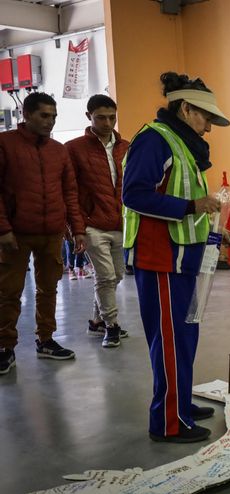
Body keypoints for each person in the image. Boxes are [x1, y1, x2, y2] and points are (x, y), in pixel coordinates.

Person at [122, 72, 230, 442]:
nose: (209, 128)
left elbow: (189, 204)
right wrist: (191, 206)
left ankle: (180, 402)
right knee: (170, 340)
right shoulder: (155, 140)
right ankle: (169, 422)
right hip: (161, 260)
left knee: (184, 337)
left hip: (184, 259)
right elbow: (134, 195)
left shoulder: (182, 144)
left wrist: (215, 229)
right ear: (185, 109)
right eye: (206, 118)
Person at [0, 92, 86, 374]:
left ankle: (46, 340)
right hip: (16, 234)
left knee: (49, 288)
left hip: (52, 233)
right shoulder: (5, 144)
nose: (50, 121)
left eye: (54, 116)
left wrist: (77, 229)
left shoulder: (59, 151)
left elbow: (70, 192)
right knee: (8, 292)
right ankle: (4, 347)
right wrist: (3, 229)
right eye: (44, 115)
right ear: (26, 115)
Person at [66, 94, 130, 348]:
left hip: (120, 222)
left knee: (117, 275)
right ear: (88, 116)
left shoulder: (126, 147)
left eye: (112, 118)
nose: (107, 123)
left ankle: (96, 321)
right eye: (101, 118)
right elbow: (69, 191)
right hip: (91, 224)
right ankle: (111, 326)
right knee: (105, 276)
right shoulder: (74, 149)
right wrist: (76, 228)